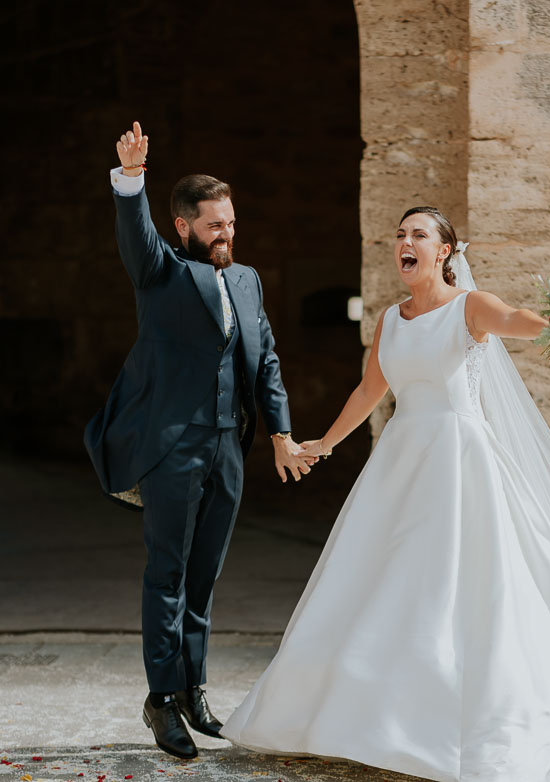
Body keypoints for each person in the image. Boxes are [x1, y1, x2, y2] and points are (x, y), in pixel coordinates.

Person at [220, 207, 550, 781]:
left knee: (470, 581)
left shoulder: (469, 307)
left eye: (418, 235)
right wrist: (327, 443)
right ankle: (371, 713)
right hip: (401, 461)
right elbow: (369, 390)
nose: (405, 243)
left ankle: (479, 710)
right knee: (380, 579)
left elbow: (515, 318)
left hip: (461, 461)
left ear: (444, 252)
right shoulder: (391, 318)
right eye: (400, 235)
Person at [84, 122, 315, 761]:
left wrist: (279, 435)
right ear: (184, 227)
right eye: (215, 226)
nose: (228, 235)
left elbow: (264, 360)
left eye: (232, 223)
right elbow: (135, 237)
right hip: (172, 447)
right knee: (168, 573)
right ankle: (161, 700)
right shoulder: (160, 272)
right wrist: (131, 178)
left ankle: (193, 689)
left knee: (205, 575)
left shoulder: (247, 281)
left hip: (228, 447)